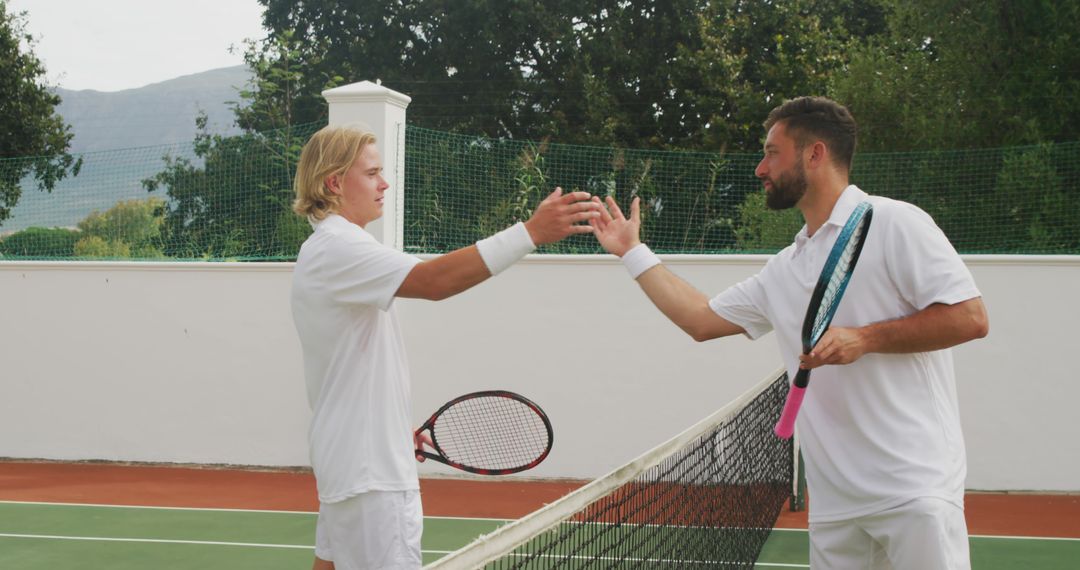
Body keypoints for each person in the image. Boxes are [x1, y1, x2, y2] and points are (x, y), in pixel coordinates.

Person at [590, 96, 989, 569]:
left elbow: (970, 317)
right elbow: (700, 319)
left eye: (772, 152)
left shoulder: (894, 222)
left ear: (815, 154)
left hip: (913, 490)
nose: (761, 167)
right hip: (836, 505)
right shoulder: (786, 267)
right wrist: (632, 252)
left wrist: (865, 338)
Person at [290, 124, 601, 570]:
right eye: (372, 173)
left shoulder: (328, 249)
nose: (385, 183)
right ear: (335, 183)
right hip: (370, 473)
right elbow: (434, 281)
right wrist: (530, 232)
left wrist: (392, 429)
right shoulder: (339, 247)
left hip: (355, 461)